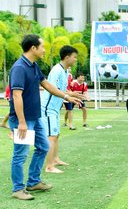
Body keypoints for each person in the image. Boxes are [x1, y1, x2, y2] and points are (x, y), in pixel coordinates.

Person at [9, 34, 81, 200]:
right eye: (42, 47)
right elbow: (17, 96)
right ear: (33, 48)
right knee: (20, 155)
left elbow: (47, 85)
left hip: (36, 116)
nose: (44, 50)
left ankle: (33, 181)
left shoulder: (33, 66)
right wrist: (21, 122)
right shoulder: (19, 67)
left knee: (43, 147)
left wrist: (66, 97)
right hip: (24, 120)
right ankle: (18, 189)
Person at [41, 46, 82, 174]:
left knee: (56, 135)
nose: (75, 60)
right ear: (67, 57)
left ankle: (55, 159)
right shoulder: (57, 70)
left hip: (55, 108)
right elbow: (52, 88)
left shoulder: (65, 71)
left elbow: (60, 89)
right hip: (48, 108)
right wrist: (67, 97)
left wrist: (72, 94)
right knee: (51, 137)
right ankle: (49, 166)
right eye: (74, 57)